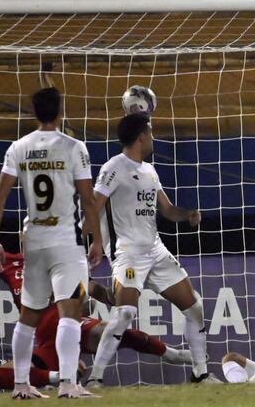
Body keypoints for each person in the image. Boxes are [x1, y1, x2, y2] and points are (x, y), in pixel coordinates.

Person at [85, 112, 218, 386]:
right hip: (128, 254)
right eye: (151, 132)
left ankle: (200, 373)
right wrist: (97, 241)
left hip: (155, 252)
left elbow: (167, 210)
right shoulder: (114, 167)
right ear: (141, 136)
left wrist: (188, 215)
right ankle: (95, 378)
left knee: (195, 307)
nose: (154, 137)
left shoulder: (149, 170)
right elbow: (93, 207)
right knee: (125, 314)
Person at [0, 87, 103, 399]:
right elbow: (87, 198)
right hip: (65, 242)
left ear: (33, 113)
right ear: (60, 112)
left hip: (33, 240)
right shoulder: (74, 147)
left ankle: (20, 385)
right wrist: (96, 238)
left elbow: (1, 194)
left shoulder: (18, 147)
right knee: (70, 310)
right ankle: (69, 384)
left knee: (29, 314)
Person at [0, 250, 191, 389]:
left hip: (74, 325)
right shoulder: (9, 261)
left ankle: (171, 354)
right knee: (14, 373)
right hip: (44, 337)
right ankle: (58, 377)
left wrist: (115, 295)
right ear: (22, 237)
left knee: (111, 331)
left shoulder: (62, 262)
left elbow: (89, 288)